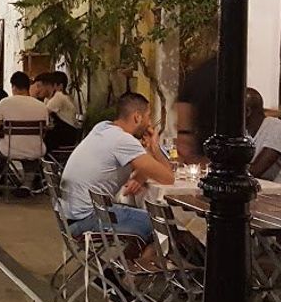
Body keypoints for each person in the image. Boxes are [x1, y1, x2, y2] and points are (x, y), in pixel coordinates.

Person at [58, 92, 175, 244]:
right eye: (148, 116)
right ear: (137, 117)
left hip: (68, 217)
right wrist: (154, 146)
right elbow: (168, 177)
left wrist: (140, 176)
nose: (149, 122)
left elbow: (140, 166)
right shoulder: (123, 141)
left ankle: (132, 263)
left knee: (144, 218)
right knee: (164, 224)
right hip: (88, 219)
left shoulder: (103, 128)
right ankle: (143, 265)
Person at [0, 71, 50, 198]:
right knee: (31, 148)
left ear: (13, 87)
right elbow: (44, 131)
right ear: (28, 86)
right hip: (36, 149)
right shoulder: (41, 106)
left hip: (9, 148)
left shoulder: (5, 102)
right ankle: (26, 185)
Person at [173, 55, 217, 163]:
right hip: (211, 143)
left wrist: (184, 136)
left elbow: (183, 105)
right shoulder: (221, 74)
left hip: (198, 141)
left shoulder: (197, 77)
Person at [36, 70, 83, 150]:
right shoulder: (48, 99)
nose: (37, 90)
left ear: (47, 85)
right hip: (61, 133)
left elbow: (41, 115)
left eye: (39, 86)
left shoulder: (58, 97)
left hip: (67, 135)